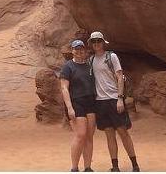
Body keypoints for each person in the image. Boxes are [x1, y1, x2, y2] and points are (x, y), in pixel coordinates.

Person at [88, 31, 140, 172]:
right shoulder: (91, 60)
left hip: (113, 99)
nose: (96, 44)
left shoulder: (111, 57)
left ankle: (135, 164)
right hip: (100, 102)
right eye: (94, 42)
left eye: (99, 41)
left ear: (103, 42)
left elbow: (119, 76)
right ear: (91, 44)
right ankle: (115, 166)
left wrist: (120, 98)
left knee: (123, 132)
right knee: (109, 134)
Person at [59, 39, 96, 172]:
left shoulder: (89, 66)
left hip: (90, 102)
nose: (79, 51)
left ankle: (88, 167)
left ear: (85, 50)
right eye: (76, 49)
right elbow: (64, 88)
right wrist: (69, 107)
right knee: (80, 135)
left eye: (81, 49)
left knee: (89, 136)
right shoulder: (68, 66)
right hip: (76, 102)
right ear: (72, 51)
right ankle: (74, 167)